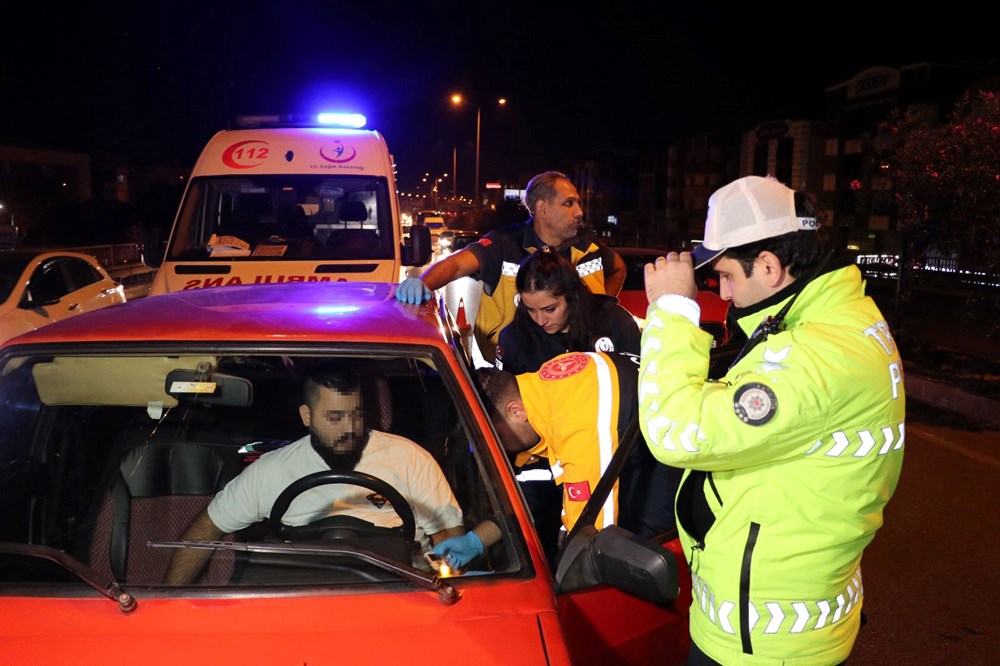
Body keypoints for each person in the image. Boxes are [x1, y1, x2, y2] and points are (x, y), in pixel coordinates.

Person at [639, 175, 905, 665]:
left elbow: (673, 430)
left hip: (764, 640)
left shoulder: (815, 354)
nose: (720, 291)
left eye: (726, 276)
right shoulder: (835, 318)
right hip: (780, 612)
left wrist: (672, 311)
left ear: (768, 266)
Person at [165, 360, 464, 584]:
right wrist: (167, 603)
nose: (349, 428)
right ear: (307, 416)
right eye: (335, 418)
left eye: (356, 415)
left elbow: (448, 536)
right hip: (304, 596)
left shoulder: (409, 459)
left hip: (397, 591)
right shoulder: (273, 469)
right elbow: (207, 527)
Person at [458, 351, 676, 569]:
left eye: (496, 437)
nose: (498, 447)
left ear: (516, 411)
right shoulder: (543, 389)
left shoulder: (576, 426)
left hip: (676, 468)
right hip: (654, 441)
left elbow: (597, 534)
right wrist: (476, 539)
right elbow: (535, 486)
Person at [395, 171, 626, 365]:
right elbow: (455, 265)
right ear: (542, 208)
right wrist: (423, 283)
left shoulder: (588, 246)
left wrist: (599, 309)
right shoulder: (505, 245)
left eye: (576, 202)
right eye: (568, 203)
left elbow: (618, 269)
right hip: (513, 370)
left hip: (578, 364)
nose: (579, 212)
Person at [493, 246, 640, 374]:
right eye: (530, 309)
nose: (540, 320)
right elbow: (504, 397)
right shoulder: (514, 338)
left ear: (571, 296)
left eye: (549, 309)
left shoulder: (616, 323)